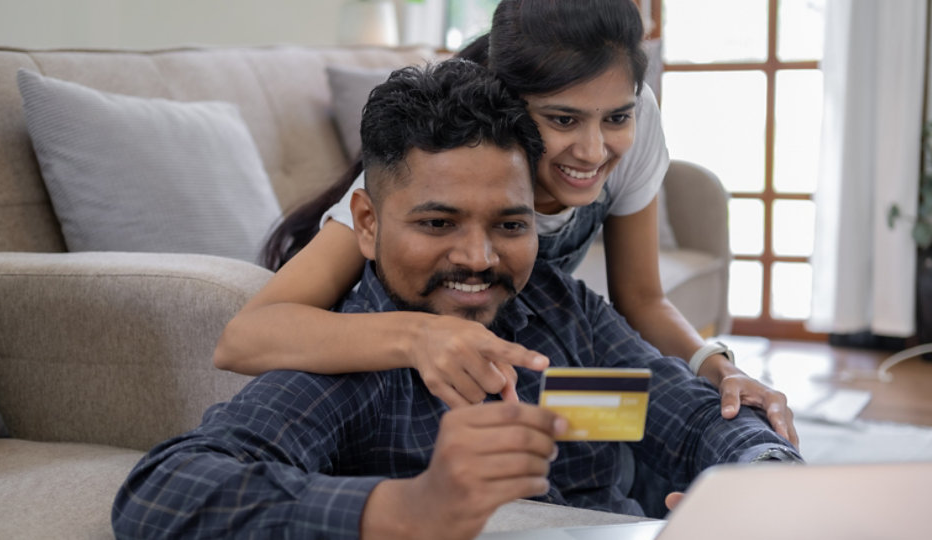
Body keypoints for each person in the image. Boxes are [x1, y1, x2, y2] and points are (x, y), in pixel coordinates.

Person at [114, 60, 800, 540]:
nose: (478, 258)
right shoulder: (350, 371)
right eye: (438, 224)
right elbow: (162, 492)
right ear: (370, 222)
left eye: (510, 225)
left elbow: (674, 411)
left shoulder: (555, 313)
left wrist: (757, 480)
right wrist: (408, 510)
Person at [214, 0, 797, 445]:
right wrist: (420, 337)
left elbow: (642, 299)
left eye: (615, 116)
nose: (594, 151)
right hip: (393, 343)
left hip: (509, 328)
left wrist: (720, 371)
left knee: (629, 423)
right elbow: (243, 339)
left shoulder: (635, 124)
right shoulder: (439, 171)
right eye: (563, 119)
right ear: (506, 108)